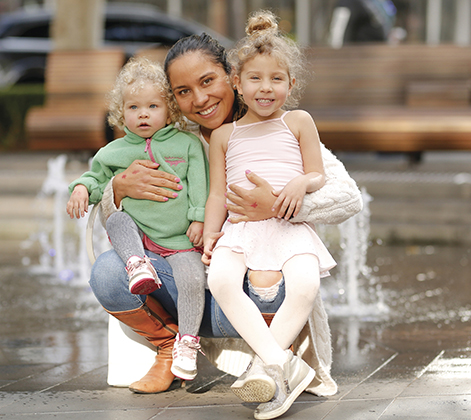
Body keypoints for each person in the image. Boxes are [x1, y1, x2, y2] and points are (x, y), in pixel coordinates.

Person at [87, 24, 363, 397]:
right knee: (108, 272)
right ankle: (170, 348)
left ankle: (269, 360)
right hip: (188, 284)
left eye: (207, 81)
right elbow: (110, 217)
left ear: (231, 79)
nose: (200, 99)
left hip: (253, 289)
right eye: (184, 92)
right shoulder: (165, 140)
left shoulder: (276, 126)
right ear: (172, 100)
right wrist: (115, 191)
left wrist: (279, 206)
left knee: (278, 283)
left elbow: (347, 196)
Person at [202, 11, 337, 419]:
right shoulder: (225, 136)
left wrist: (301, 184)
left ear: (291, 85)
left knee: (305, 286)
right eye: (256, 79)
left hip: (289, 227)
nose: (266, 88)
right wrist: (211, 235)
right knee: (221, 280)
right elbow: (216, 194)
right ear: (238, 85)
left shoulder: (298, 121)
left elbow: (317, 173)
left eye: (277, 79)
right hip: (241, 230)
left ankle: (266, 369)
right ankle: (283, 366)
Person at [66, 57, 208, 381]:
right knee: (117, 220)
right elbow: (95, 179)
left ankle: (186, 342)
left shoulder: (186, 145)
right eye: (133, 107)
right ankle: (135, 265)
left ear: (169, 109)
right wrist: (79, 190)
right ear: (121, 112)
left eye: (153, 106)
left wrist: (198, 218)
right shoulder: (112, 152)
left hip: (181, 243)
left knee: (191, 279)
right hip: (141, 245)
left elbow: (200, 184)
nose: (143, 114)